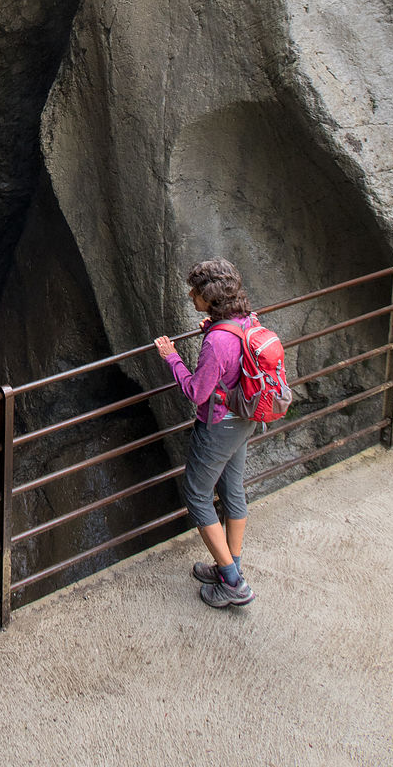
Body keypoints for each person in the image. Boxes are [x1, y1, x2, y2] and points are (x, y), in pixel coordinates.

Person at [154, 257, 257, 608]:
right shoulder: (244, 321)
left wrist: (172, 358)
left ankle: (232, 582)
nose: (190, 295)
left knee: (197, 497)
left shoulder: (217, 342)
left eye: (195, 291)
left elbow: (197, 391)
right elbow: (234, 361)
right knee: (232, 489)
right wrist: (211, 328)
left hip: (218, 426)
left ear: (209, 296)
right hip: (245, 417)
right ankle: (232, 566)